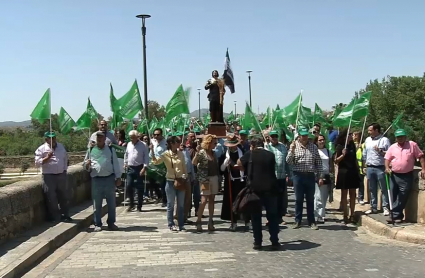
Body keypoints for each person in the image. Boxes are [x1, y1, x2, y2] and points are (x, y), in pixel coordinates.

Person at [237, 137, 280, 250]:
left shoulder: (250, 154)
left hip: (254, 190)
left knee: (256, 217)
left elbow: (239, 163)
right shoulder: (270, 155)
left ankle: (258, 242)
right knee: (272, 216)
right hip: (270, 188)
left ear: (252, 145)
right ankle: (275, 241)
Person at [385, 129, 425, 223]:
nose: (400, 138)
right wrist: (387, 167)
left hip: (407, 175)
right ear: (396, 138)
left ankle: (395, 214)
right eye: (398, 137)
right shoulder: (393, 147)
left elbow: (421, 156)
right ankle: (395, 215)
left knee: (403, 195)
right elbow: (387, 158)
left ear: (405, 137)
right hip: (394, 174)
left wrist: (423, 169)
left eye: (402, 136)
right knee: (392, 194)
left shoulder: (412, 145)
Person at [286, 127, 323, 230]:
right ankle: (298, 220)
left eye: (306, 135)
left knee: (310, 199)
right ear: (299, 136)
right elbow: (288, 161)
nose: (305, 137)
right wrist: (291, 151)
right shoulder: (294, 146)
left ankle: (312, 221)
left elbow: (318, 162)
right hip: (298, 175)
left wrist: (320, 176)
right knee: (298, 199)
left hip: (310, 176)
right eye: (303, 135)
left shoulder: (313, 147)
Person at [83, 131, 121, 232]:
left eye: (101, 137)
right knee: (97, 204)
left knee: (111, 203)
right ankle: (97, 223)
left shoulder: (110, 149)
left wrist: (118, 177)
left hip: (109, 178)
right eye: (98, 137)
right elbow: (85, 165)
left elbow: (116, 164)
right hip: (96, 179)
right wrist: (87, 164)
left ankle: (111, 223)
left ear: (105, 139)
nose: (99, 139)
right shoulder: (91, 149)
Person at [151, 136, 188, 232]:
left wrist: (185, 177)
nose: (179, 144)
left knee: (180, 205)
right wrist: (151, 150)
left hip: (180, 181)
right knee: (170, 204)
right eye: (177, 142)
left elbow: (184, 167)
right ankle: (171, 224)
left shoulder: (181, 154)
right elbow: (155, 162)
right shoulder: (165, 154)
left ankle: (181, 224)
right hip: (170, 181)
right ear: (172, 143)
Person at [34, 131, 70, 222]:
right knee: (51, 197)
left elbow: (65, 158)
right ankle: (55, 217)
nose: (52, 139)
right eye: (50, 138)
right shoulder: (41, 149)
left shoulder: (61, 146)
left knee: (64, 196)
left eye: (54, 137)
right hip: (49, 176)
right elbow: (37, 163)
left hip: (61, 174)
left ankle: (65, 215)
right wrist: (47, 158)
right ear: (46, 139)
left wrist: (65, 169)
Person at [192, 134, 220, 232]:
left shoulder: (214, 153)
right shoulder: (202, 152)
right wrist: (197, 152)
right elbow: (194, 163)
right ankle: (198, 220)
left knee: (212, 199)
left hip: (214, 177)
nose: (216, 145)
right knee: (204, 200)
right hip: (204, 179)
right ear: (208, 143)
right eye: (214, 143)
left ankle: (210, 221)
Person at [362, 123, 391, 215]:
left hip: (381, 167)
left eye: (370, 130)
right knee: (372, 188)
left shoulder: (384, 140)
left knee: (384, 188)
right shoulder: (367, 140)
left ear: (376, 130)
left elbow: (390, 154)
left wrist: (380, 151)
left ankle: (385, 207)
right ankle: (373, 207)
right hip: (370, 167)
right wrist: (364, 165)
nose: (368, 132)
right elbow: (364, 153)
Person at [220, 134, 246, 231]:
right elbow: (221, 169)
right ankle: (233, 221)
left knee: (243, 200)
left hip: (241, 180)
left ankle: (246, 219)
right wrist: (225, 163)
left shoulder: (242, 152)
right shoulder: (225, 155)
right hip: (230, 181)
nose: (232, 148)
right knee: (231, 202)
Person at [266, 130, 292, 224]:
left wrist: (290, 175)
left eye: (275, 136)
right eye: (272, 136)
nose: (274, 138)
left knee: (280, 199)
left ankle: (279, 218)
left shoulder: (283, 147)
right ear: (269, 137)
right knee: (271, 200)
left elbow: (287, 163)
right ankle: (270, 219)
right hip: (270, 178)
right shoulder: (266, 147)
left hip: (281, 177)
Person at [334, 130, 360, 224]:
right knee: (344, 195)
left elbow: (355, 159)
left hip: (352, 172)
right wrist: (343, 155)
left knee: (353, 194)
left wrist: (358, 170)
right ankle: (345, 215)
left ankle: (352, 215)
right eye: (349, 135)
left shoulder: (352, 145)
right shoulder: (340, 146)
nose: (351, 137)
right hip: (343, 172)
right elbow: (336, 161)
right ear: (345, 137)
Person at [124, 130, 149, 212]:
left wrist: (145, 167)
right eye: (130, 138)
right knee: (129, 185)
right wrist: (125, 163)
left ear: (137, 137)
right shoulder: (129, 144)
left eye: (133, 137)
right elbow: (126, 154)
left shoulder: (143, 145)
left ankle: (139, 205)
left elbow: (146, 157)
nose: (131, 139)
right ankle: (131, 204)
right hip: (130, 167)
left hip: (139, 167)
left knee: (139, 188)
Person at [313, 134, 333, 223]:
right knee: (318, 196)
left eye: (323, 140)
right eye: (320, 140)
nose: (322, 141)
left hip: (326, 175)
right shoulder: (314, 151)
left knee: (324, 196)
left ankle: (321, 213)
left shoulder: (328, 151)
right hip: (318, 175)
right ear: (316, 141)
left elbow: (331, 164)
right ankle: (317, 215)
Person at [151, 128, 167, 207]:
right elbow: (150, 155)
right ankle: (159, 196)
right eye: (154, 135)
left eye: (158, 134)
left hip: (163, 165)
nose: (156, 136)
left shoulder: (165, 143)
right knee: (152, 183)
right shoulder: (153, 143)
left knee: (163, 183)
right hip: (154, 165)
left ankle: (165, 200)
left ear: (161, 135)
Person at [353, 131, 366, 204]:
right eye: (354, 135)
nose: (354, 136)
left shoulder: (363, 145)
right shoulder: (351, 144)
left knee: (361, 183)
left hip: (360, 167)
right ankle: (353, 197)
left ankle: (361, 197)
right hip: (353, 167)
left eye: (356, 135)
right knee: (353, 184)